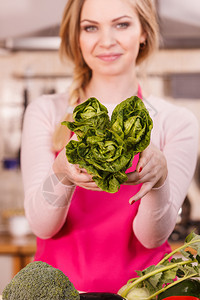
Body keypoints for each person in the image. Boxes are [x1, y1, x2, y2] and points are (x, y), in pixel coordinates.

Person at [21, 0, 199, 293]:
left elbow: (151, 238)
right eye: (90, 27)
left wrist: (158, 179)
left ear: (143, 31)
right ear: (77, 37)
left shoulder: (175, 121)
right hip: (61, 295)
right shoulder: (46, 112)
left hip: (142, 293)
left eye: (122, 24)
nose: (106, 41)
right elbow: (43, 226)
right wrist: (62, 171)